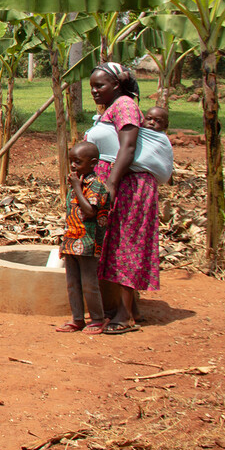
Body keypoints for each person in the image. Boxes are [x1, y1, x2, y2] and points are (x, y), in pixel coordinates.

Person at [87, 62, 159, 335]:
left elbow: (127, 147)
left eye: (100, 85)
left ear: (116, 85)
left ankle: (124, 315)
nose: (94, 90)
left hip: (129, 186)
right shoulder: (113, 107)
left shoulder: (125, 105)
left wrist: (112, 184)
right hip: (119, 183)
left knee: (125, 245)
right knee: (117, 243)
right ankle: (131, 310)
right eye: (92, 86)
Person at [57, 142, 110, 335]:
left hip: (88, 243)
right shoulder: (76, 184)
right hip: (72, 242)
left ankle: (97, 319)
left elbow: (89, 211)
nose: (73, 166)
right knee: (72, 283)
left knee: (89, 283)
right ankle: (77, 319)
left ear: (93, 163)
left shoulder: (96, 186)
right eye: (71, 161)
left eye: (78, 162)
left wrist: (78, 188)